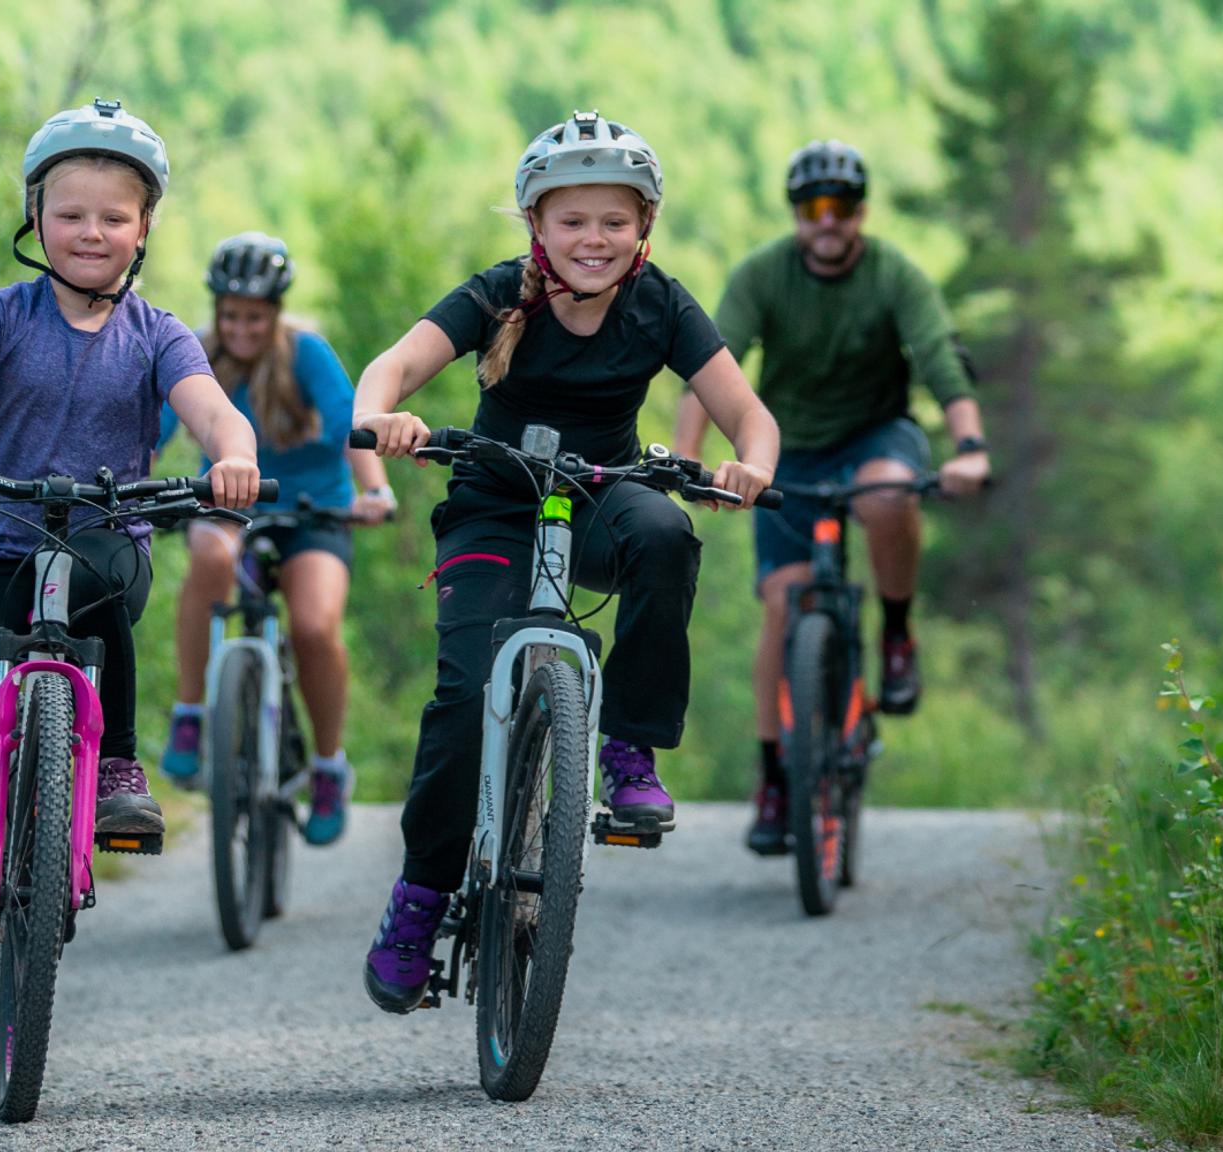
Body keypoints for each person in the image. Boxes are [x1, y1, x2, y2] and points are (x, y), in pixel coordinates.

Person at [353, 111, 780, 1013]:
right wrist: (388, 416)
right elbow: (389, 369)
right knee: (467, 699)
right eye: (574, 221)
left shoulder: (660, 302)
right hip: (493, 506)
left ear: (644, 230)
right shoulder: (497, 292)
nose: (596, 239)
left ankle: (627, 746)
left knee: (666, 533)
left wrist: (752, 466)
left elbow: (750, 415)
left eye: (615, 222)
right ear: (536, 226)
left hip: (598, 495)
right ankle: (421, 895)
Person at [0, 99, 262, 1039]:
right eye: (71, 212)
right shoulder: (0, 315)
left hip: (100, 543)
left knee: (95, 578)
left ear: (144, 229)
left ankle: (117, 760)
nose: (91, 232)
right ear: (35, 216)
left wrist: (232, 454)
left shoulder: (160, 334)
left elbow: (209, 410)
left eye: (114, 217)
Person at [672, 138, 991, 857]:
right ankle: (775, 778)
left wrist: (970, 448)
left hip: (877, 434)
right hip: (787, 448)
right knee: (782, 608)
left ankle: (898, 637)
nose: (827, 220)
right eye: (812, 207)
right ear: (796, 214)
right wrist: (686, 460)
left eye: (840, 207)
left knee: (886, 497)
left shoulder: (894, 276)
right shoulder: (762, 275)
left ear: (860, 213)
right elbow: (708, 365)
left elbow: (941, 357)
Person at [155, 231, 396, 846]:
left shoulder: (307, 355)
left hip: (315, 514)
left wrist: (374, 492)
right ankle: (190, 712)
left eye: (255, 317)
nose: (242, 329)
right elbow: (150, 431)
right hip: (233, 507)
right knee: (209, 551)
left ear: (276, 313)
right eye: (231, 315)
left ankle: (327, 766)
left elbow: (353, 428)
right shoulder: (197, 356)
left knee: (314, 628)